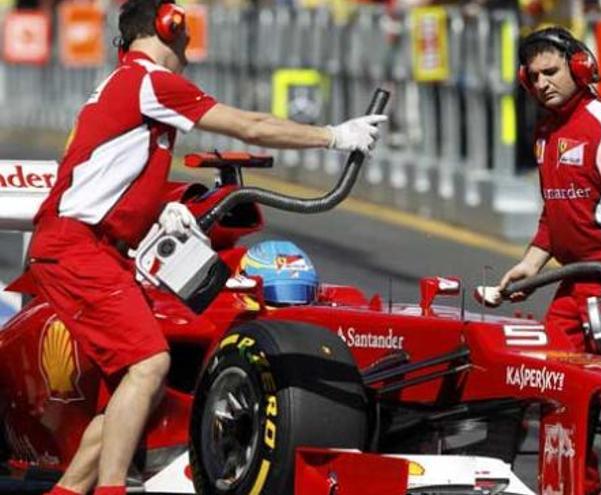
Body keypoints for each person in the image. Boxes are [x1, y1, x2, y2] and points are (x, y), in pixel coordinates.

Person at [31, 1, 386, 495]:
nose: (190, 50)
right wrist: (333, 136)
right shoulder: (150, 81)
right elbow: (250, 126)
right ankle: (112, 490)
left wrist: (161, 211)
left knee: (129, 398)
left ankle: (68, 490)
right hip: (79, 246)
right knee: (151, 364)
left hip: (92, 245)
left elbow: (110, 173)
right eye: (185, 36)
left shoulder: (126, 85)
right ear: (168, 26)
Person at [492, 26, 601, 494]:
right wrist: (531, 263)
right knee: (555, 385)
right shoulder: (546, 132)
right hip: (575, 282)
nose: (543, 82)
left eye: (552, 71)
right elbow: (556, 212)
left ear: (580, 68)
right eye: (535, 76)